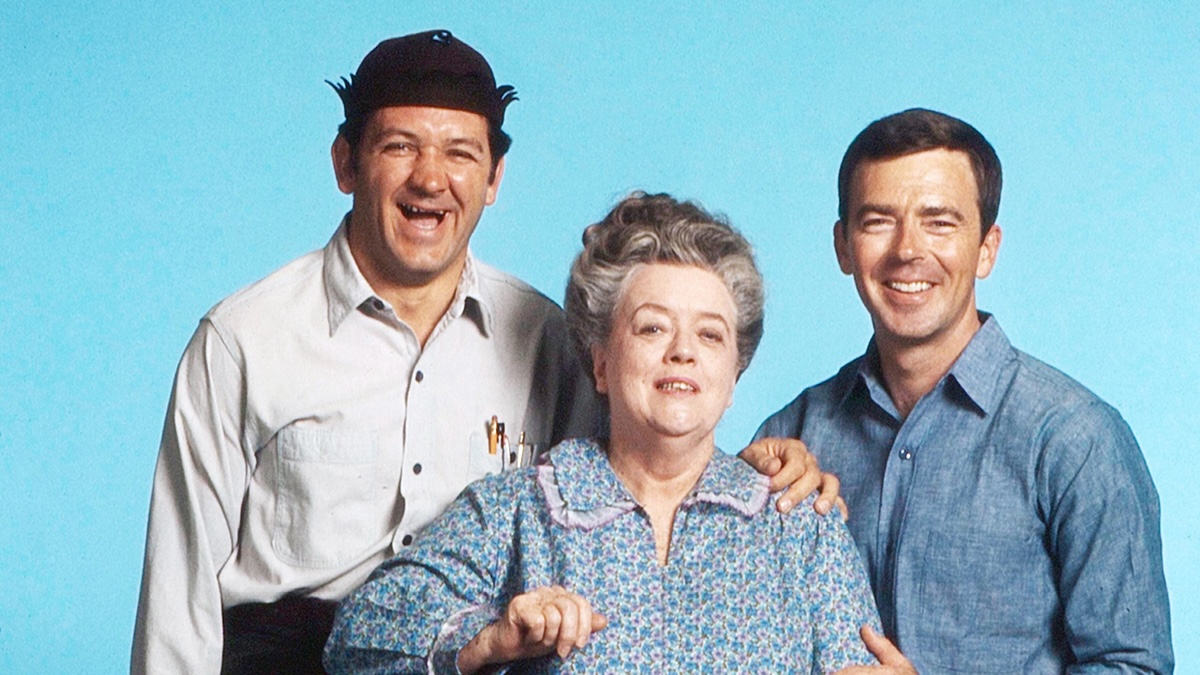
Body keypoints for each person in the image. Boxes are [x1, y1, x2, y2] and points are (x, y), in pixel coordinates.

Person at [132, 31, 828, 674]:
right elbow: (178, 589)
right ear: (346, 163)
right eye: (400, 146)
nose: (430, 179)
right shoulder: (245, 337)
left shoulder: (546, 334)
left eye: (461, 153)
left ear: (494, 179)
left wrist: (759, 466)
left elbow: (643, 464)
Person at [324, 192, 881, 674]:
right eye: (653, 327)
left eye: (710, 336)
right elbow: (358, 637)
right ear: (601, 363)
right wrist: (490, 637)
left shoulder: (800, 528)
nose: (682, 351)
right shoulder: (520, 508)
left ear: (733, 378)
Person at [757, 108, 1174, 673]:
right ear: (843, 246)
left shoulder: (1077, 440)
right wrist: (733, 483)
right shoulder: (792, 436)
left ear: (987, 248)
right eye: (878, 220)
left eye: (940, 222)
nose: (908, 249)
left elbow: (1134, 667)